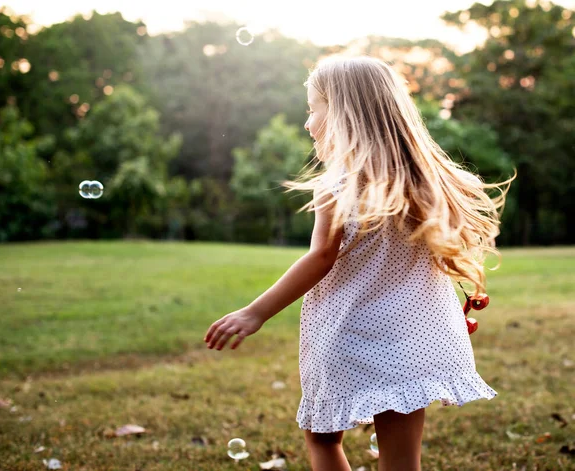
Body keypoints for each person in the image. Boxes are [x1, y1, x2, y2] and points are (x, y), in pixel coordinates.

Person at [204, 54, 515, 471]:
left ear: (342, 115)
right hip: (414, 341)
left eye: (312, 110)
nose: (306, 123)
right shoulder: (422, 180)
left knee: (322, 439)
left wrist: (254, 312)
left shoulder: (337, 185)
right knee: (403, 462)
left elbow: (320, 258)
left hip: (352, 336)